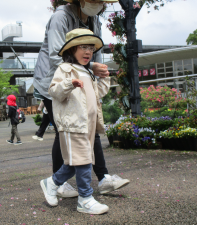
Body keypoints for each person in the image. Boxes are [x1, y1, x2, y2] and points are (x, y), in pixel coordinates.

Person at [33, 0, 129, 197]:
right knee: (65, 130)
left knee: (90, 127)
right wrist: (91, 66)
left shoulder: (94, 20)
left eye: (101, 1)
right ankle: (57, 183)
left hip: (83, 79)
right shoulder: (61, 17)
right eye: (94, 0)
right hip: (55, 80)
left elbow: (96, 51)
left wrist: (98, 72)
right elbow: (55, 55)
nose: (98, 4)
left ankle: (102, 178)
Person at [41, 29, 111, 214]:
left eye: (91, 48)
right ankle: (85, 198)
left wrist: (104, 79)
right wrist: (69, 83)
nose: (88, 51)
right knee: (84, 162)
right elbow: (54, 91)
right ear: (71, 50)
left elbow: (97, 95)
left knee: (77, 162)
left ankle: (52, 182)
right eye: (83, 47)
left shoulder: (87, 72)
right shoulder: (65, 68)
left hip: (87, 125)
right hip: (72, 124)